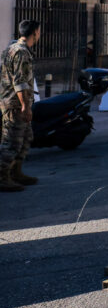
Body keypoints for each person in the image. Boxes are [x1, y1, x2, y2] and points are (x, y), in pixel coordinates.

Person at [0, 20, 40, 192]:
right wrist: (25, 106)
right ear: (35, 33)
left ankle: (15, 172)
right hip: (15, 105)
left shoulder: (11, 48)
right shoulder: (21, 52)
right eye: (39, 31)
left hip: (12, 102)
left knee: (25, 138)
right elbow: (20, 82)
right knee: (11, 142)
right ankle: (2, 177)